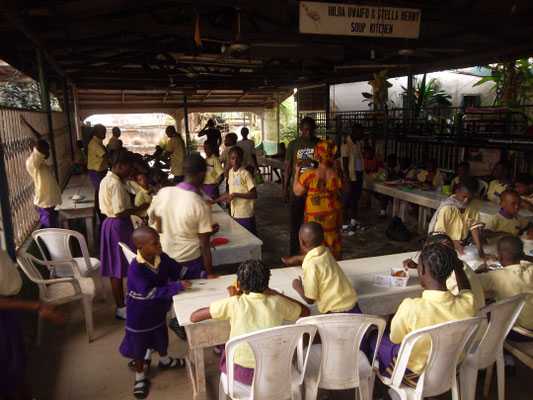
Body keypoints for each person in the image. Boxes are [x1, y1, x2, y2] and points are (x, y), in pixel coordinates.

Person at [368, 243, 479, 388]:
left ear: (421, 269)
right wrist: (458, 267)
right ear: (451, 272)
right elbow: (466, 290)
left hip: (415, 375)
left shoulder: (410, 307)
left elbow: (395, 338)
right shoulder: (468, 304)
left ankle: (378, 381)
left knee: (374, 336)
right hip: (450, 369)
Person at [189, 259, 310, 385]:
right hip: (273, 372)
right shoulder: (277, 302)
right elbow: (306, 311)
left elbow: (194, 317)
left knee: (226, 345)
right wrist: (276, 294)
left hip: (240, 373)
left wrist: (233, 299)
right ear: (266, 284)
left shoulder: (234, 303)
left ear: (239, 285)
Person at [119, 226, 192, 399]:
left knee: (159, 335)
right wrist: (176, 286)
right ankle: (139, 377)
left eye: (159, 241)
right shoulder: (136, 268)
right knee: (139, 345)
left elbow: (179, 270)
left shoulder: (162, 258)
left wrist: (203, 274)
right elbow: (148, 293)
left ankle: (165, 361)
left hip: (156, 310)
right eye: (155, 243)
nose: (160, 245)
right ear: (142, 248)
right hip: (139, 315)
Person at [0, 249, 66, 400]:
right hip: (3, 319)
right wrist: (37, 306)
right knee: (8, 375)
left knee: (16, 369)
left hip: (9, 313)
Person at [148, 154, 219, 277]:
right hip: (190, 261)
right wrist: (209, 274)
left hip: (166, 259)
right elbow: (204, 247)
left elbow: (159, 228)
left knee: (174, 293)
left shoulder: (165, 193)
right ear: (202, 174)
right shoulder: (200, 204)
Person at [100, 150, 150, 319]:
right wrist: (140, 208)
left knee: (120, 266)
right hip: (117, 225)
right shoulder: (114, 184)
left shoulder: (109, 179)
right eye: (129, 167)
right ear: (120, 166)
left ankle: (124, 303)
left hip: (112, 224)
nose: (131, 171)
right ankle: (121, 307)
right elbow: (120, 212)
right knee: (118, 268)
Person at [283, 222, 360, 314]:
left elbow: (310, 299)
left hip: (336, 312)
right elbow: (316, 259)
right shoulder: (325, 251)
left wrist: (297, 286)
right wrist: (296, 258)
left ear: (301, 242)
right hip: (352, 304)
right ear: (323, 239)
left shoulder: (311, 265)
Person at [292, 140, 346, 259]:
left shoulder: (310, 175)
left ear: (317, 154)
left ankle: (316, 265)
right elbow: (347, 190)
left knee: (314, 239)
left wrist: (297, 172)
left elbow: (297, 191)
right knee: (332, 236)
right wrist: (340, 169)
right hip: (334, 214)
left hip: (315, 216)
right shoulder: (337, 173)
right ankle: (332, 263)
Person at [404, 233, 486, 308]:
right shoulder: (461, 267)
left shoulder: (412, 307)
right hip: (477, 321)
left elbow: (432, 287)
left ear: (422, 270)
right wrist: (419, 266)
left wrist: (421, 267)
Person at [476, 236, 533, 341]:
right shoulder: (530, 269)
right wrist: (524, 257)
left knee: (483, 310)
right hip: (530, 329)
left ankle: (495, 346)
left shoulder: (494, 276)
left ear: (500, 257)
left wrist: (478, 271)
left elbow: (471, 282)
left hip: (521, 333)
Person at [428, 176, 493, 260]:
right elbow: (437, 236)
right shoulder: (447, 208)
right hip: (443, 246)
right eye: (464, 196)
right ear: (457, 191)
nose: (466, 201)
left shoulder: (472, 204)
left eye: (470, 198)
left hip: (461, 245)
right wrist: (453, 243)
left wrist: (480, 251)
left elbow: (474, 227)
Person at [284, 117, 321, 256]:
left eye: (311, 129)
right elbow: (288, 168)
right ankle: (294, 253)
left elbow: (326, 166)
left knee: (314, 225)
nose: (308, 133)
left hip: (315, 190)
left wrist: (311, 163)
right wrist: (285, 189)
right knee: (295, 224)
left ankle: (315, 255)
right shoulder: (293, 145)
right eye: (305, 130)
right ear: (300, 129)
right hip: (298, 189)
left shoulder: (320, 145)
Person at [22, 117, 62, 228]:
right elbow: (39, 142)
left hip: (49, 203)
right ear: (35, 150)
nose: (47, 152)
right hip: (44, 204)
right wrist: (26, 125)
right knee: (50, 231)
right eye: (45, 150)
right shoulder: (32, 163)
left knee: (53, 228)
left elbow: (40, 141)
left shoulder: (40, 164)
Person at [211, 146, 258, 234]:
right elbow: (230, 193)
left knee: (247, 237)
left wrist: (236, 195)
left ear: (242, 159)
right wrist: (213, 202)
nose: (235, 161)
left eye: (238, 158)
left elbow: (254, 194)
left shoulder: (245, 174)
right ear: (229, 159)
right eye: (232, 158)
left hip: (244, 213)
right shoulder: (230, 172)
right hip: (234, 212)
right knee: (239, 236)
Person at [342, 124, 365, 234]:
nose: (362, 136)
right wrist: (347, 180)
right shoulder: (346, 144)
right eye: (361, 133)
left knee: (355, 198)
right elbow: (345, 165)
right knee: (346, 200)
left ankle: (354, 221)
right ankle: (344, 224)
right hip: (351, 175)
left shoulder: (358, 143)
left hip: (359, 174)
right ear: (354, 132)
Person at [87, 123, 110, 192]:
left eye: (105, 132)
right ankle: (99, 202)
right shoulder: (94, 143)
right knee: (100, 190)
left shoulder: (98, 142)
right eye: (102, 132)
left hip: (100, 169)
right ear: (96, 133)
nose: (104, 134)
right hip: (96, 170)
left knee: (102, 189)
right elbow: (104, 156)